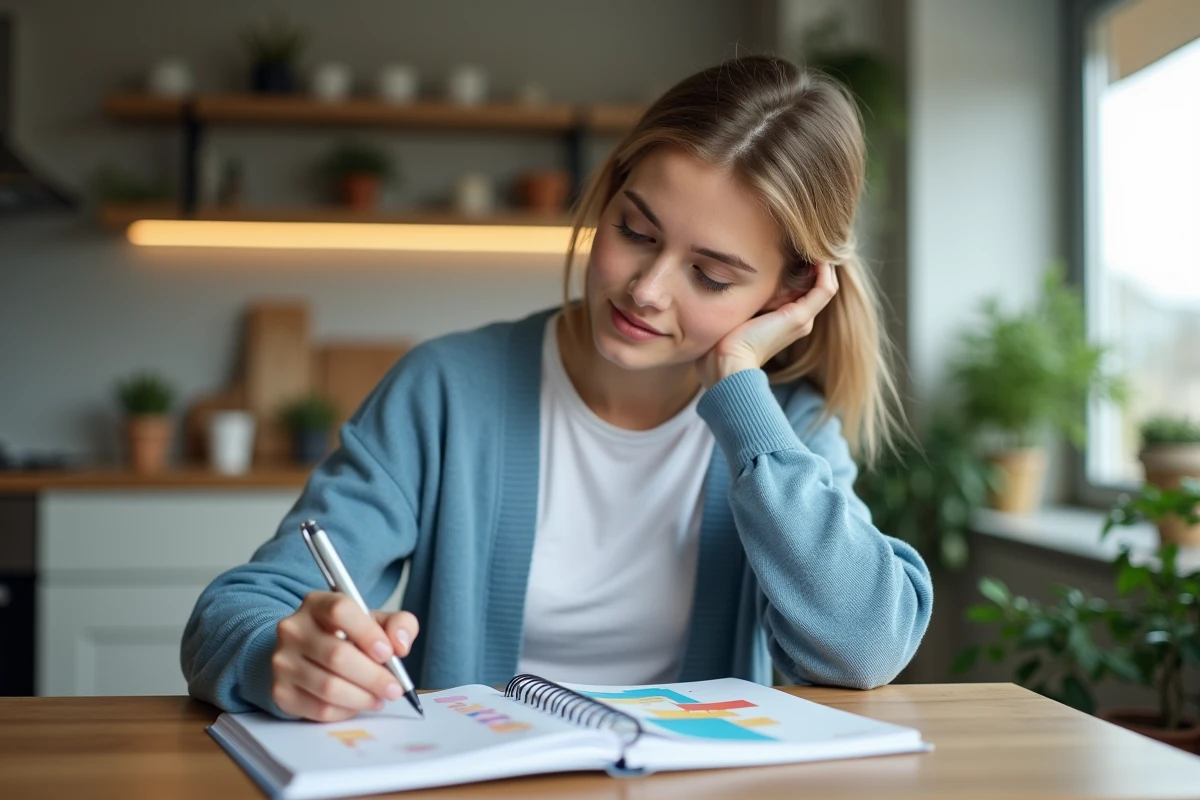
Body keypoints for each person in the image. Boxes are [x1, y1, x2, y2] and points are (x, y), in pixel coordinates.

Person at [181, 54, 933, 723]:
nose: (647, 291)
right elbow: (231, 614)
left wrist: (742, 396)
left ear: (789, 294)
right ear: (608, 195)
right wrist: (279, 656)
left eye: (710, 275)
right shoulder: (445, 391)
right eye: (635, 232)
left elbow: (866, 647)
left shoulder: (782, 431)